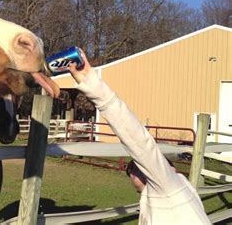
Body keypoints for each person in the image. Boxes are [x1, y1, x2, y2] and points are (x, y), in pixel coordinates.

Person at [68, 49, 210, 224]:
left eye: (137, 165)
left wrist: (93, 85)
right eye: (131, 168)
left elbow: (138, 140)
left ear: (171, 170)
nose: (134, 167)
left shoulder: (168, 186)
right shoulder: (169, 195)